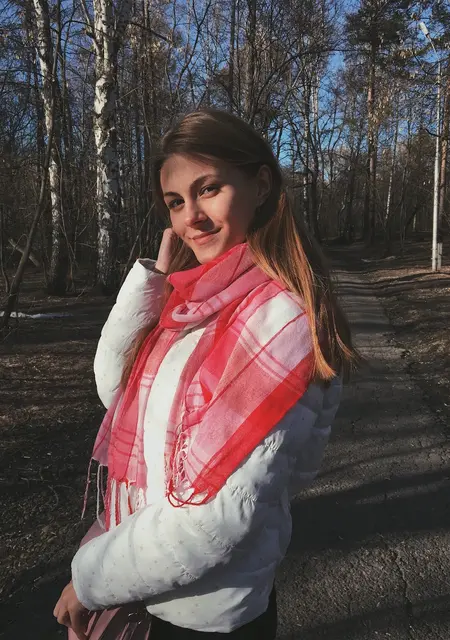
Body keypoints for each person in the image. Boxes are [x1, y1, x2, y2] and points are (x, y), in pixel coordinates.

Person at [53, 109, 358, 640]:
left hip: (207, 611)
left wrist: (90, 580)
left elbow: (214, 520)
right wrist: (155, 278)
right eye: (175, 202)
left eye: (208, 188)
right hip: (153, 581)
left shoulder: (278, 323)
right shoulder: (198, 302)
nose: (190, 217)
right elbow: (115, 386)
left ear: (261, 185)